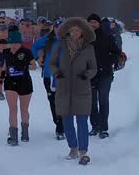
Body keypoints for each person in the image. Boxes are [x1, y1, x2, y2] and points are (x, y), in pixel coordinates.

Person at [50, 17, 98, 165]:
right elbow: (52, 63)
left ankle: (83, 151)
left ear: (82, 32)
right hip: (64, 87)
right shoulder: (60, 45)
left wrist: (87, 75)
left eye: (77, 30)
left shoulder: (88, 48)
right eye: (71, 30)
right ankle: (73, 148)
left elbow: (93, 68)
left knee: (82, 121)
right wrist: (57, 73)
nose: (74, 33)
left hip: (81, 88)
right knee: (67, 121)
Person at [1, 19, 38, 144]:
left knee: (24, 109)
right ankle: (14, 136)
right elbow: (3, 67)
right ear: (9, 43)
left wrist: (25, 66)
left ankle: (25, 132)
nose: (15, 45)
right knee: (12, 109)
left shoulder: (26, 52)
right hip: (10, 83)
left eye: (17, 43)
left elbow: (34, 66)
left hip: (25, 82)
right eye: (13, 43)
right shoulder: (6, 52)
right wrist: (1, 78)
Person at [88, 13, 122, 138]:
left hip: (105, 74)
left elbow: (117, 53)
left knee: (103, 100)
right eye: (90, 22)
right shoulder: (84, 38)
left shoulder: (107, 37)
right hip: (89, 75)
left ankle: (103, 128)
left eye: (95, 22)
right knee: (91, 102)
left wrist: (109, 60)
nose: (92, 24)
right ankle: (94, 126)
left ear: (99, 24)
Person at [33, 17, 64, 140]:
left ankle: (61, 127)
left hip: (65, 75)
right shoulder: (48, 39)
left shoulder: (70, 40)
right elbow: (34, 46)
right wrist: (37, 58)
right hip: (48, 75)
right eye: (56, 28)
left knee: (63, 101)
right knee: (53, 101)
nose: (58, 30)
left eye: (61, 28)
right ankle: (58, 122)